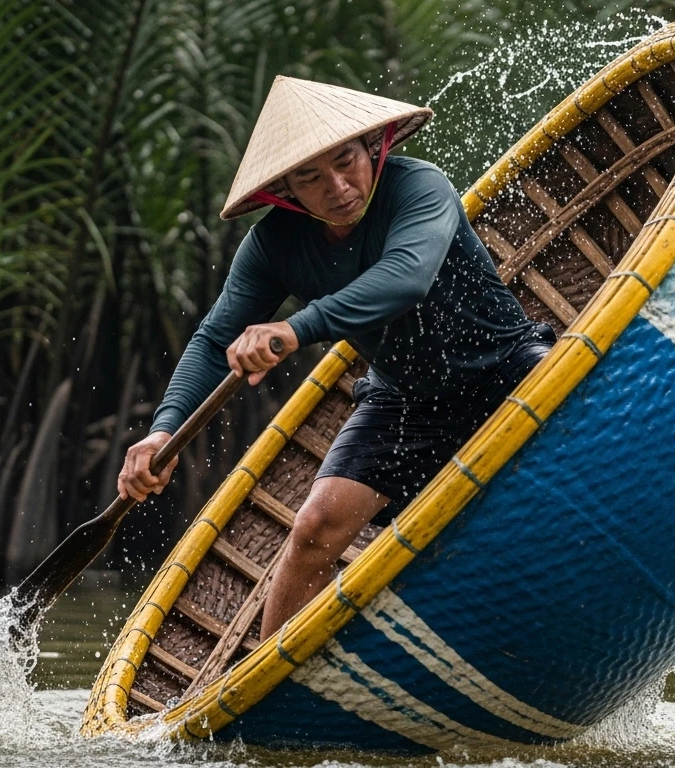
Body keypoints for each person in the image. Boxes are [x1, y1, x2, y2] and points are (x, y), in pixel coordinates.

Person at [115, 76, 552, 640]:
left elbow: (406, 280)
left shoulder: (418, 186)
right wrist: (164, 429)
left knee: (570, 439)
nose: (338, 187)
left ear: (373, 146)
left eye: (346, 161)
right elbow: (212, 340)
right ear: (286, 191)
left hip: (507, 368)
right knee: (314, 528)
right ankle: (262, 694)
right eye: (310, 177)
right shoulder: (273, 245)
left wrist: (296, 329)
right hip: (404, 399)